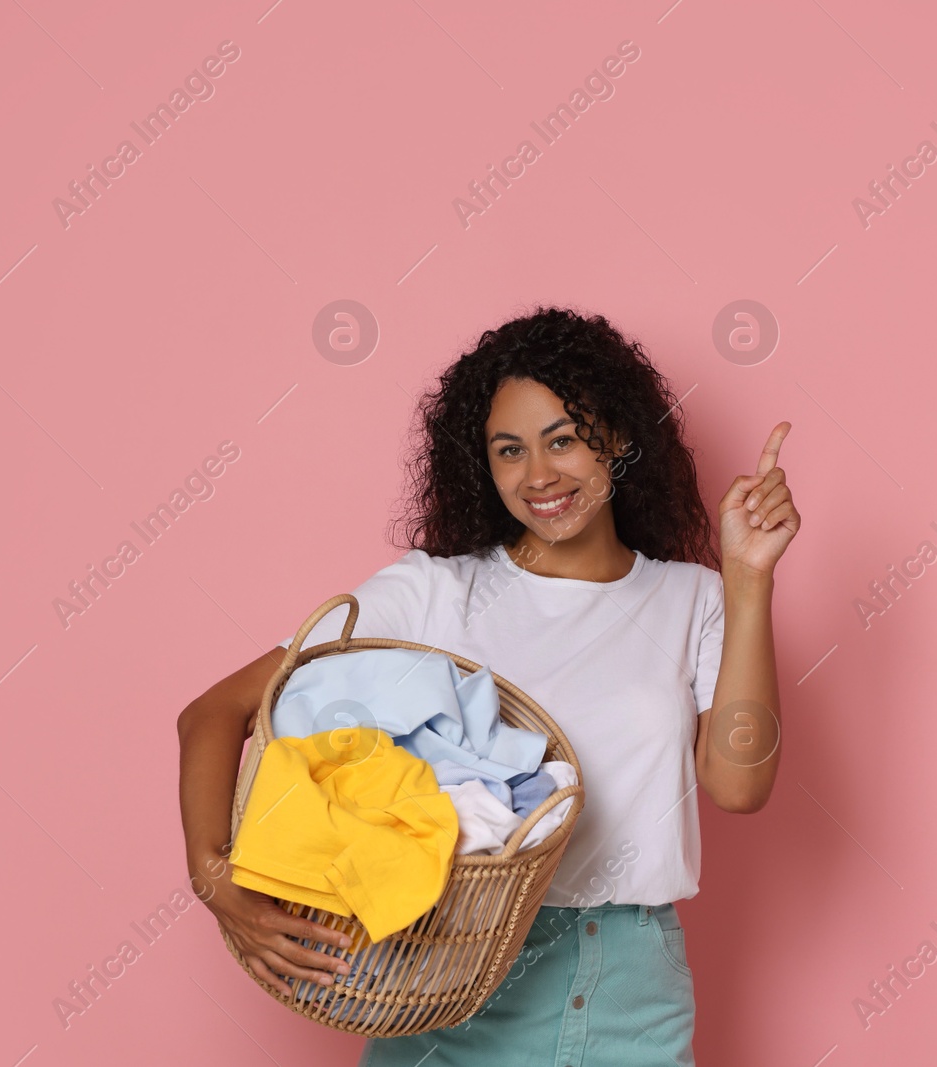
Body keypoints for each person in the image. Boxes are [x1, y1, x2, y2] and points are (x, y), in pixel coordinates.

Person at [177, 306, 798, 1066]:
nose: (538, 475)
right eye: (510, 450)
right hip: (447, 966)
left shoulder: (694, 600)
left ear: (622, 440)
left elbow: (738, 786)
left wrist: (749, 579)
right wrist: (216, 877)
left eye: (563, 439)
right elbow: (214, 712)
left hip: (625, 987)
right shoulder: (433, 593)